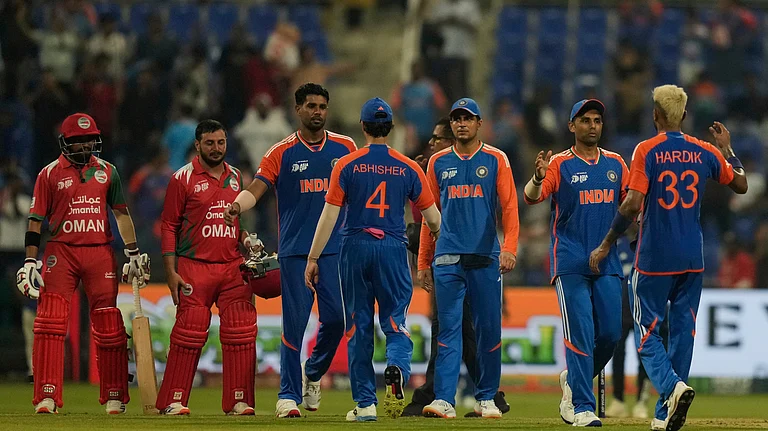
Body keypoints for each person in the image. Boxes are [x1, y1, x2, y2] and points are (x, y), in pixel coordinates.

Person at [589, 85, 748, 431]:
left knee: (646, 332)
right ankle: (665, 414)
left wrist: (606, 243)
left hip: (654, 258)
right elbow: (740, 184)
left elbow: (632, 204)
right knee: (682, 332)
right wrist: (728, 149)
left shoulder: (646, 150)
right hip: (693, 257)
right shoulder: (704, 150)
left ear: (655, 115)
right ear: (685, 116)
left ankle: (671, 387)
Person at [303, 97, 441, 421]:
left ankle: (365, 404)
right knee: (396, 322)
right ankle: (396, 367)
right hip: (392, 247)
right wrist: (434, 245)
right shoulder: (409, 167)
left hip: (353, 247)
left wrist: (313, 257)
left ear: (363, 127)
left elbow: (329, 216)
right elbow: (434, 219)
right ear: (390, 128)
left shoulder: (346, 165)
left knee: (358, 327)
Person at [225, 83, 357, 418]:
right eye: (311, 106)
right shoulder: (280, 151)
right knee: (294, 325)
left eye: (323, 106)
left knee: (338, 322)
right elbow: (258, 187)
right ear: (297, 110)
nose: (318, 112)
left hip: (335, 250)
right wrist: (238, 206)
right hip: (296, 252)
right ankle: (288, 395)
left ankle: (312, 372)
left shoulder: (346, 147)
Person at [17, 113, 150, 414]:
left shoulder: (108, 171)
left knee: (109, 324)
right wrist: (29, 261)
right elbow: (35, 221)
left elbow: (121, 214)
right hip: (61, 252)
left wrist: (132, 252)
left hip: (100, 251)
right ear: (66, 142)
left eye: (89, 139)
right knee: (50, 322)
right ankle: (47, 395)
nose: (86, 146)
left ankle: (115, 394)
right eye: (79, 141)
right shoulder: (48, 174)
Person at [523, 99, 627, 427]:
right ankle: (582, 407)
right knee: (580, 334)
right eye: (585, 120)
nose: (592, 125)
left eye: (597, 120)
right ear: (572, 126)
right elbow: (531, 196)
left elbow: (631, 205)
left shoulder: (617, 164)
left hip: (608, 263)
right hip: (570, 261)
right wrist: (538, 178)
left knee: (610, 334)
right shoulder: (558, 164)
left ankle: (572, 380)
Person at [418, 98, 519, 419]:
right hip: (447, 258)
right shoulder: (436, 164)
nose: (461, 123)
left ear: (479, 123)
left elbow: (510, 206)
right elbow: (428, 215)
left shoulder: (496, 159)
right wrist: (423, 262)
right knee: (448, 331)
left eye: (468, 118)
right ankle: (444, 399)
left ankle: (486, 398)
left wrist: (510, 247)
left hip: (486, 257)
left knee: (489, 330)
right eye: (456, 119)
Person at [156, 119, 260, 416]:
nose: (217, 148)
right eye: (210, 143)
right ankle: (173, 400)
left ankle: (239, 400)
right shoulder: (182, 178)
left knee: (241, 331)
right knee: (189, 332)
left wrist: (247, 240)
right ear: (198, 144)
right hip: (193, 266)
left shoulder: (238, 177)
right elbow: (168, 226)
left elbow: (236, 223)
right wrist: (170, 270)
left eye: (221, 142)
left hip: (231, 266)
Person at [607, 236, 652, 419]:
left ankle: (642, 402)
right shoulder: (617, 242)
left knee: (645, 356)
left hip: (644, 307)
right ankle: (618, 400)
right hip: (620, 307)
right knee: (617, 355)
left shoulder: (647, 240)